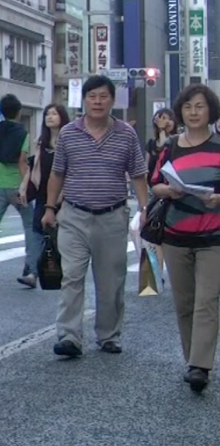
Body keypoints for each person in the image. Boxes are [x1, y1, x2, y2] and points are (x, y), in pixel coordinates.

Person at [42, 75, 148, 358]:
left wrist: (145, 209)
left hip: (112, 216)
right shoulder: (68, 133)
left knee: (110, 281)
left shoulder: (126, 134)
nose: (97, 102)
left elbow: (138, 174)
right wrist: (50, 208)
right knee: (71, 276)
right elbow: (57, 174)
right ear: (84, 100)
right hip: (74, 215)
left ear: (111, 100)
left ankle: (108, 335)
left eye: (103, 96)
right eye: (92, 96)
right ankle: (69, 336)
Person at [150, 84, 220, 392]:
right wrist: (169, 190)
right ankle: (193, 359)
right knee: (185, 303)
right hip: (175, 236)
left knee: (207, 301)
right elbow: (155, 183)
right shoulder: (172, 145)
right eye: (188, 106)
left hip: (214, 236)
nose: (193, 112)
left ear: (210, 111)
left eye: (199, 106)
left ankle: (200, 366)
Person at [0, 94, 35, 283]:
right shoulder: (23, 133)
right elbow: (22, 161)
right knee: (30, 226)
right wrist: (26, 186)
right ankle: (30, 267)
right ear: (19, 112)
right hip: (16, 187)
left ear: (2, 112)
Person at [18, 104, 69, 289]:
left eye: (54, 114)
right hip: (42, 194)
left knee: (61, 235)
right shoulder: (41, 142)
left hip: (64, 195)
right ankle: (32, 272)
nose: (49, 117)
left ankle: (65, 272)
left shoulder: (69, 140)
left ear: (62, 117)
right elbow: (33, 167)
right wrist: (24, 186)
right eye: (47, 114)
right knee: (36, 233)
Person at [147, 108, 177, 179]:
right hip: (153, 183)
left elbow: (165, 148)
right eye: (163, 118)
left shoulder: (178, 141)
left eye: (170, 119)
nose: (167, 122)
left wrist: (162, 129)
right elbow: (146, 168)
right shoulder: (151, 144)